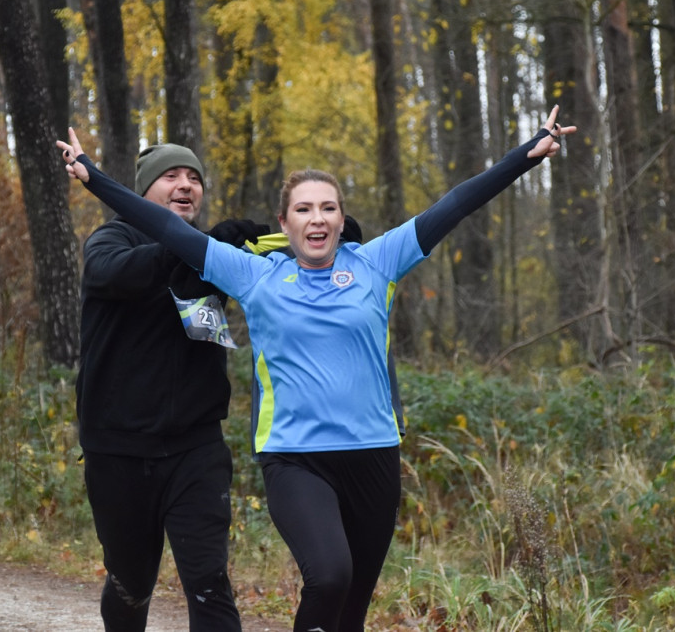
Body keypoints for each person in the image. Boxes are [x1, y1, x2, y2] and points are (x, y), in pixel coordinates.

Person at [58, 106, 575, 632]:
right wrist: (94, 178)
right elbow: (168, 232)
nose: (318, 218)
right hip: (287, 455)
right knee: (327, 575)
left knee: (347, 608)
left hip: (371, 454)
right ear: (284, 222)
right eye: (303, 209)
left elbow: (457, 204)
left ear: (341, 217)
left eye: (328, 208)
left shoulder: (376, 261)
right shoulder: (253, 273)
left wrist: (524, 158)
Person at [75, 142, 266, 632]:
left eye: (194, 178)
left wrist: (334, 234)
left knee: (208, 580)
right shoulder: (109, 241)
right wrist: (190, 247)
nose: (185, 185)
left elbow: (294, 248)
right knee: (132, 584)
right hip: (118, 450)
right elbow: (112, 273)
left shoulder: (214, 255)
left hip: (195, 447)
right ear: (144, 191)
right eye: (172, 177)